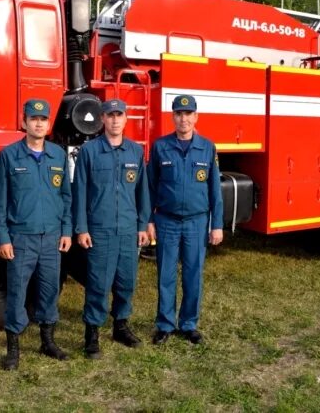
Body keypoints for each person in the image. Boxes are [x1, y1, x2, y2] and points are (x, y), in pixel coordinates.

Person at [72, 99, 150, 359]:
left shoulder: (135, 152)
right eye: (110, 115)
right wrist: (81, 228)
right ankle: (92, 334)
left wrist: (142, 224)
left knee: (126, 281)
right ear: (102, 119)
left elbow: (142, 192)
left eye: (120, 115)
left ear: (126, 119)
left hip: (128, 230)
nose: (115, 120)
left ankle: (121, 326)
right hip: (100, 230)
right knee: (98, 283)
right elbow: (79, 191)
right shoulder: (90, 151)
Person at [0, 99, 72, 369]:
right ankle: (13, 350)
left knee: (50, 290)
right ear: (24, 122)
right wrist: (3, 237)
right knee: (17, 292)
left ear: (49, 123)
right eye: (33, 118)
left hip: (51, 238)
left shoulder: (58, 155)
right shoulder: (9, 156)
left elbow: (66, 196)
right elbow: (0, 201)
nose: (39, 123)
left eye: (43, 119)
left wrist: (66, 230)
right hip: (21, 238)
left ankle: (47, 342)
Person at [147, 94, 223, 346]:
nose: (184, 119)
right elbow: (149, 187)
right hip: (166, 220)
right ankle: (165, 325)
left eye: (188, 114)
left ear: (196, 117)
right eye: (179, 114)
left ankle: (189, 323)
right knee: (165, 274)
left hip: (196, 222)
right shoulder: (160, 147)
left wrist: (217, 224)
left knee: (193, 274)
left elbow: (215, 190)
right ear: (173, 117)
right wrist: (149, 220)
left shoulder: (207, 147)